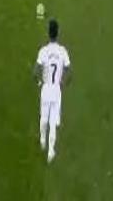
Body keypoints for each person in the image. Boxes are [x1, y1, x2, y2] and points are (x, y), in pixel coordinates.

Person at [34, 19, 71, 163]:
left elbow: (35, 72)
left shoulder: (43, 51)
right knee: (53, 121)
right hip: (56, 89)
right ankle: (51, 151)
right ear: (58, 33)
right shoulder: (62, 51)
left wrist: (39, 82)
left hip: (46, 87)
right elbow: (69, 71)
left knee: (44, 117)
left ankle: (42, 141)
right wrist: (63, 83)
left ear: (48, 33)